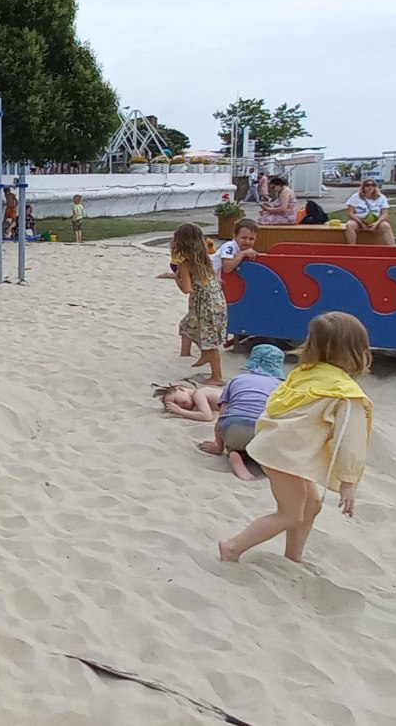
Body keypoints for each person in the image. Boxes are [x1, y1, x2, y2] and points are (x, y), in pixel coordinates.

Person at [220, 312, 373, 564]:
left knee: (312, 504)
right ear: (357, 351)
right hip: (284, 454)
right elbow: (350, 441)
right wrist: (348, 481)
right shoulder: (347, 395)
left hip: (278, 446)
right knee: (290, 514)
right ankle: (232, 547)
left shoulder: (304, 372)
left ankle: (293, 556)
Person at [161, 344, 288, 481]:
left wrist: (218, 446)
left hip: (232, 427)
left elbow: (222, 416)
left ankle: (235, 453)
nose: (178, 405)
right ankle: (257, 460)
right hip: (259, 429)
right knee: (266, 446)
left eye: (176, 400)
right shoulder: (280, 386)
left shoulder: (236, 380)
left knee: (235, 441)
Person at [158, 223, 226, 384]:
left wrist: (177, 279)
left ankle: (217, 377)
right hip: (216, 302)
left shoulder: (185, 263)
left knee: (209, 340)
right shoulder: (203, 259)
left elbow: (186, 289)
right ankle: (205, 355)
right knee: (188, 326)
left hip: (204, 306)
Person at [344, 179, 394, 245]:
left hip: (376, 220)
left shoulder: (381, 197)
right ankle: (352, 246)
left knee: (386, 226)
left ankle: (392, 247)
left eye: (373, 185)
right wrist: (361, 223)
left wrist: (376, 223)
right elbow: (350, 213)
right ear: (363, 187)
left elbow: (385, 214)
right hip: (358, 220)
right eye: (368, 185)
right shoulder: (355, 197)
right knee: (349, 225)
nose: (371, 187)